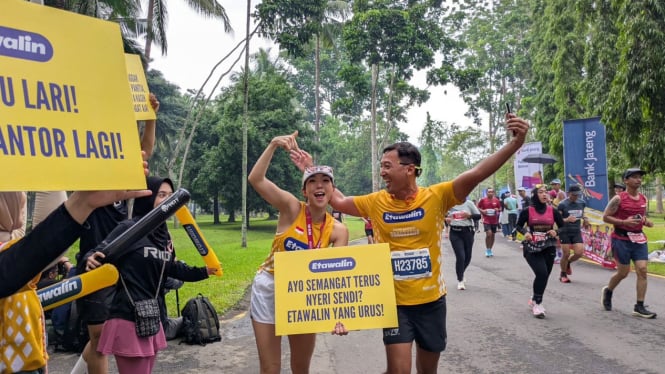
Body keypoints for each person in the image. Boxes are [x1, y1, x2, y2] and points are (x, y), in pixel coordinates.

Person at [306, 113, 530, 374]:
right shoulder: (376, 201)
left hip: (431, 302)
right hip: (395, 303)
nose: (382, 172)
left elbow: (478, 172)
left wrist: (515, 144)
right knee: (398, 371)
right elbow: (337, 200)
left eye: (388, 166)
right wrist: (314, 172)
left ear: (409, 169)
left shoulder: (437, 196)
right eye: (382, 166)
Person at [0, 185, 152, 374]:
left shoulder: (13, 240)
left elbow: (29, 254)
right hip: (15, 361)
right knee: (98, 340)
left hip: (28, 358)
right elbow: (14, 267)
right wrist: (81, 203)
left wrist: (83, 202)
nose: (23, 199)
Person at [84, 176, 216, 373]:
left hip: (152, 317)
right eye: (161, 195)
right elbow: (100, 251)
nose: (168, 201)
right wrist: (91, 258)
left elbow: (171, 267)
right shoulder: (129, 229)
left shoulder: (163, 237)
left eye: (171, 196)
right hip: (128, 317)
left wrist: (204, 272)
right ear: (148, 198)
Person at [248, 132, 349, 374]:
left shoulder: (338, 231)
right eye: (313, 181)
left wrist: (339, 316)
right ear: (304, 191)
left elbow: (337, 277)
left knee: (300, 368)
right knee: (270, 368)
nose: (319, 186)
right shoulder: (291, 208)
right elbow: (256, 179)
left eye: (326, 181)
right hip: (270, 287)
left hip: (305, 294)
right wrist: (273, 144)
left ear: (333, 191)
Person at [74, 93, 160, 374]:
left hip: (122, 264)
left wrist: (149, 115)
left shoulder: (123, 179)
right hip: (95, 263)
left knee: (111, 332)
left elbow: (144, 150)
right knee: (100, 339)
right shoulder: (90, 182)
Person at [601, 168, 656, 319]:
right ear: (626, 180)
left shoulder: (643, 199)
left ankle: (639, 306)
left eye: (640, 177)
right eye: (634, 177)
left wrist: (645, 221)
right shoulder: (618, 199)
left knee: (642, 270)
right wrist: (623, 222)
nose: (638, 180)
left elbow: (640, 217)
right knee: (623, 272)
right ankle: (609, 290)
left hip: (638, 239)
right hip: (621, 239)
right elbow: (605, 217)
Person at [514, 185, 565, 319]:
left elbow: (563, 227)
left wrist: (556, 232)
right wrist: (525, 233)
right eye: (541, 192)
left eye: (546, 192)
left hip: (548, 246)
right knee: (541, 273)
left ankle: (535, 297)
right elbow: (518, 225)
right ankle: (538, 304)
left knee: (545, 275)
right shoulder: (527, 211)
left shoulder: (552, 211)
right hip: (532, 247)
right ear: (535, 195)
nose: (544, 195)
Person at [446, 200, 481, 290]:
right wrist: (446, 219)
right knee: (460, 256)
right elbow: (441, 214)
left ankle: (461, 272)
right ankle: (460, 280)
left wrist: (469, 216)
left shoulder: (469, 203)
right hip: (455, 232)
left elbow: (478, 216)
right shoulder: (449, 203)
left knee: (468, 257)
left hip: (467, 232)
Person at [557, 184, 587, 283]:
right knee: (566, 254)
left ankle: (568, 263)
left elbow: (583, 213)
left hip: (576, 231)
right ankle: (563, 274)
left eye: (577, 195)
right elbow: (557, 220)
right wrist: (566, 219)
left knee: (579, 253)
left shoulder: (581, 202)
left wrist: (585, 219)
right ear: (568, 193)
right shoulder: (562, 204)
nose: (576, 197)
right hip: (564, 231)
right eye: (574, 195)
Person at [477, 188, 502, 257]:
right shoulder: (483, 200)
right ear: (486, 193)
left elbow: (500, 208)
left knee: (493, 235)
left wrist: (497, 209)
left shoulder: (496, 200)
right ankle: (487, 249)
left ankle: (490, 250)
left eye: (491, 192)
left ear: (493, 193)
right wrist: (482, 211)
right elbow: (478, 207)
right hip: (486, 220)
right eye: (489, 192)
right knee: (489, 234)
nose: (490, 193)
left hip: (494, 220)